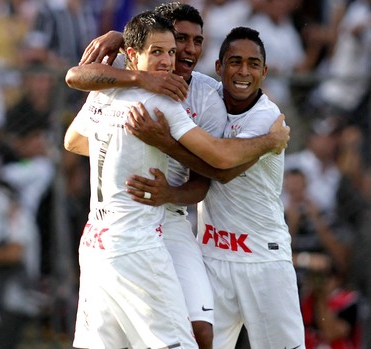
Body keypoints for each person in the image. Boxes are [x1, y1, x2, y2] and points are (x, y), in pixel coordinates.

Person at [66, 3, 290, 348]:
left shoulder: (202, 95)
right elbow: (75, 137)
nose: (184, 51)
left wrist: (165, 177)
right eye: (173, 43)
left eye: (194, 42)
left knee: (199, 333)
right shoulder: (140, 91)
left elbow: (211, 177)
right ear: (137, 52)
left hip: (155, 222)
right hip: (136, 231)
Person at [124, 27, 305, 348]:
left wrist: (165, 142)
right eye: (235, 62)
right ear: (219, 68)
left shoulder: (268, 119)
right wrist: (117, 38)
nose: (243, 72)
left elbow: (223, 170)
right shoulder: (206, 98)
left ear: (265, 72)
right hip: (212, 256)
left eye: (253, 64)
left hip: (263, 260)